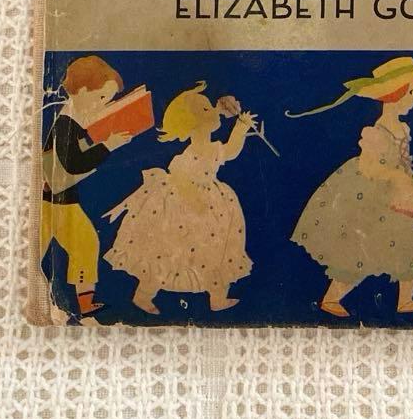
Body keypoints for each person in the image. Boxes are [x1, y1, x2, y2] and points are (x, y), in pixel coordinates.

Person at [289, 56, 413, 317]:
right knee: (360, 247)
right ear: (396, 93)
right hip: (372, 193)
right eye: (412, 93)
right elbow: (369, 168)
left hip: (404, 190)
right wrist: (394, 176)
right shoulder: (377, 132)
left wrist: (404, 178)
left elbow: (403, 160)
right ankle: (331, 298)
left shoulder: (402, 127)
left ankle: (405, 299)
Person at [103, 83, 258, 314]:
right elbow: (180, 178)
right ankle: (143, 296)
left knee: (216, 252)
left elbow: (230, 151)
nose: (214, 110)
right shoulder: (190, 154)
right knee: (168, 253)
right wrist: (196, 202)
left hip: (212, 204)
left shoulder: (211, 148)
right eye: (205, 109)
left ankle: (218, 298)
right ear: (192, 122)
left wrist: (241, 127)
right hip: (185, 210)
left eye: (209, 106)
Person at [40, 55, 132, 319]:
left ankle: (83, 304)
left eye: (108, 100)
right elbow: (73, 163)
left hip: (59, 199)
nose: (103, 104)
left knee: (83, 245)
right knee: (83, 244)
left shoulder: (74, 120)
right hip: (56, 201)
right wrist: (107, 146)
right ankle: (78, 305)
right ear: (81, 91)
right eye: (101, 98)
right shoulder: (66, 123)